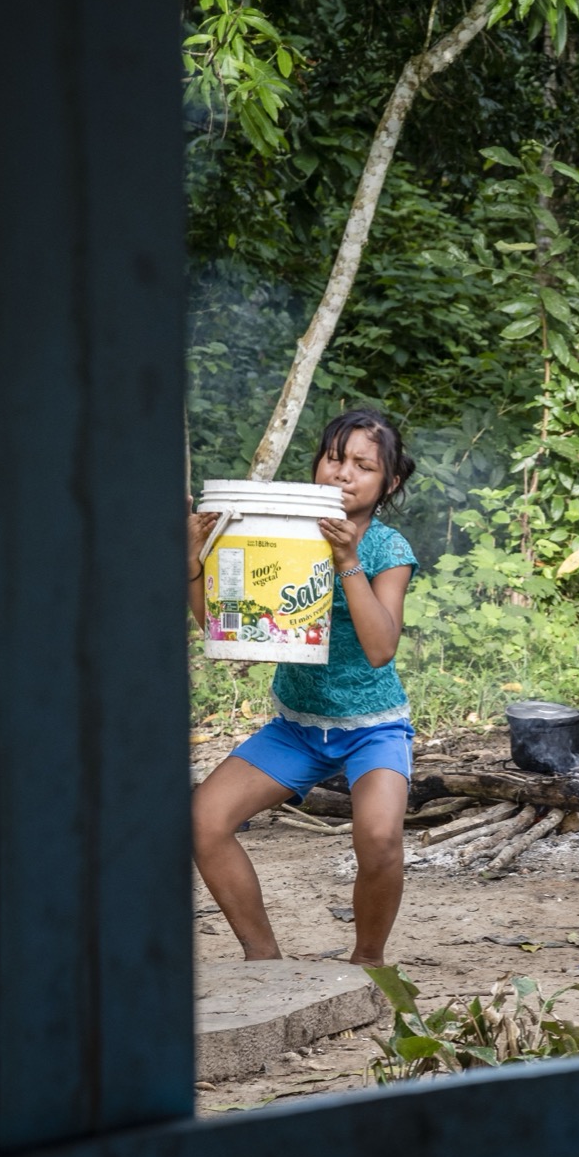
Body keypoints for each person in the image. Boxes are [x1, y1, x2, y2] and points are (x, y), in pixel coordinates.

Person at [187, 410, 418, 966]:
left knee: (381, 839)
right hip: (296, 726)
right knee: (203, 821)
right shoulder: (280, 533)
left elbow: (381, 647)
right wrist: (194, 560)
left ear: (389, 484)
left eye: (363, 466)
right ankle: (263, 958)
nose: (343, 474)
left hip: (374, 727)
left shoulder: (388, 549)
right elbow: (224, 629)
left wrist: (346, 561)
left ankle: (367, 962)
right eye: (334, 459)